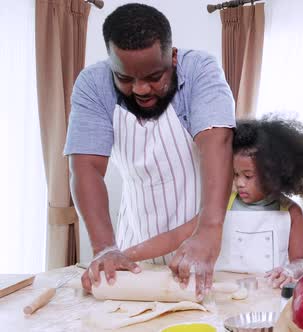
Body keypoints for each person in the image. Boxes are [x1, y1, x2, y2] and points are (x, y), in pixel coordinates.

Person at [65, 3, 235, 299]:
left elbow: (216, 144)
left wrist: (208, 230)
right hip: (134, 249)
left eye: (155, 77)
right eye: (126, 79)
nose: (141, 90)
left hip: (204, 243)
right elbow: (86, 167)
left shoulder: (199, 71)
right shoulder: (93, 85)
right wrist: (105, 248)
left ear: (173, 57)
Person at [122, 117, 303, 288]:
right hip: (222, 295)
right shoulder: (221, 207)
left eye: (248, 176)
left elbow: (301, 260)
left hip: (269, 297)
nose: (239, 183)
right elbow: (176, 237)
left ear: (273, 174)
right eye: (234, 174)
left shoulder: (291, 212)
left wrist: (290, 270)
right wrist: (125, 256)